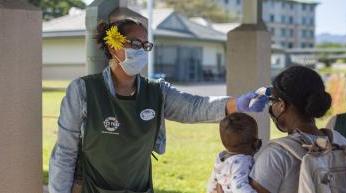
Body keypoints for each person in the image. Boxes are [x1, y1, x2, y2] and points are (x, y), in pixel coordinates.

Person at [48, 18, 268, 193]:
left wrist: (235, 104)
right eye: (135, 43)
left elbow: (193, 107)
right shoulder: (83, 91)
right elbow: (65, 153)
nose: (141, 50)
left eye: (145, 45)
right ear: (112, 46)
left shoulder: (156, 92)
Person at [248, 66, 346, 193]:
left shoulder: (276, 155)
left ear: (281, 105)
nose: (271, 106)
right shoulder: (342, 144)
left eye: (272, 101)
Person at [207, 112, 261, 193]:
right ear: (255, 143)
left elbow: (212, 183)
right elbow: (239, 187)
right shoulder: (242, 162)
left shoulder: (221, 159)